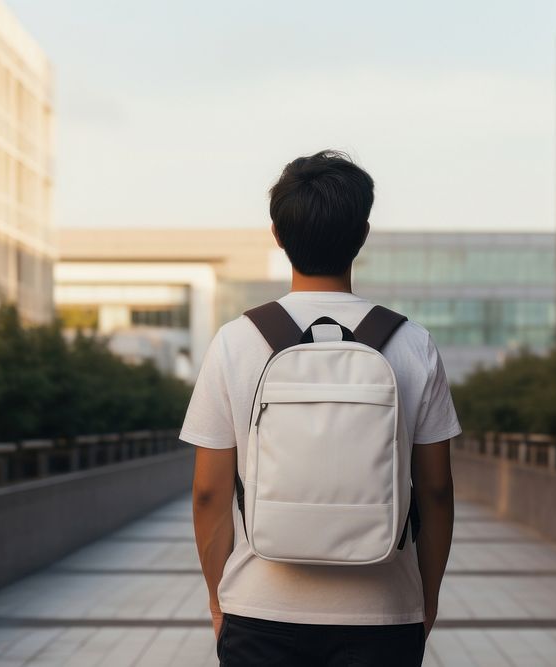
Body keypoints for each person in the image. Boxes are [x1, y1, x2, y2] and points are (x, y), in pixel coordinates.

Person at [180, 150, 460, 667]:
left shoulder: (236, 342)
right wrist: (428, 596)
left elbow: (207, 493)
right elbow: (437, 489)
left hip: (260, 609)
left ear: (277, 234)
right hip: (383, 612)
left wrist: (219, 599)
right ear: (363, 232)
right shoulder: (412, 343)